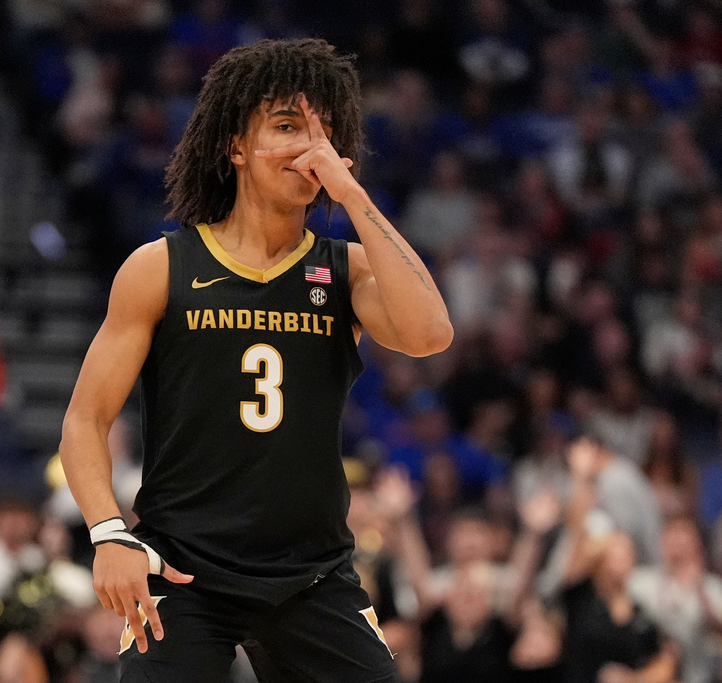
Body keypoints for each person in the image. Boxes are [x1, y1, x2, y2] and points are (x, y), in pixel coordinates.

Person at [60, 38, 453, 681]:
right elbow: (84, 422)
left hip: (313, 574)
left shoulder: (344, 269)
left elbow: (430, 333)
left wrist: (353, 196)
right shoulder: (161, 268)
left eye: (326, 131)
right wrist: (108, 533)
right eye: (288, 127)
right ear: (235, 145)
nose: (312, 148)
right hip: (183, 571)